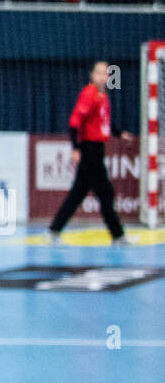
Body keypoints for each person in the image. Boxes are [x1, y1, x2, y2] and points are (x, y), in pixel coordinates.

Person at [48, 61, 136, 247]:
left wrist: (120, 133)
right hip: (90, 149)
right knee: (105, 193)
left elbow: (104, 122)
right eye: (99, 73)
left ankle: (54, 230)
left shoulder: (103, 96)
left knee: (78, 193)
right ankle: (118, 235)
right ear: (92, 75)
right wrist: (76, 148)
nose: (102, 77)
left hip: (97, 148)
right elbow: (75, 121)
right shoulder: (89, 94)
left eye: (105, 73)